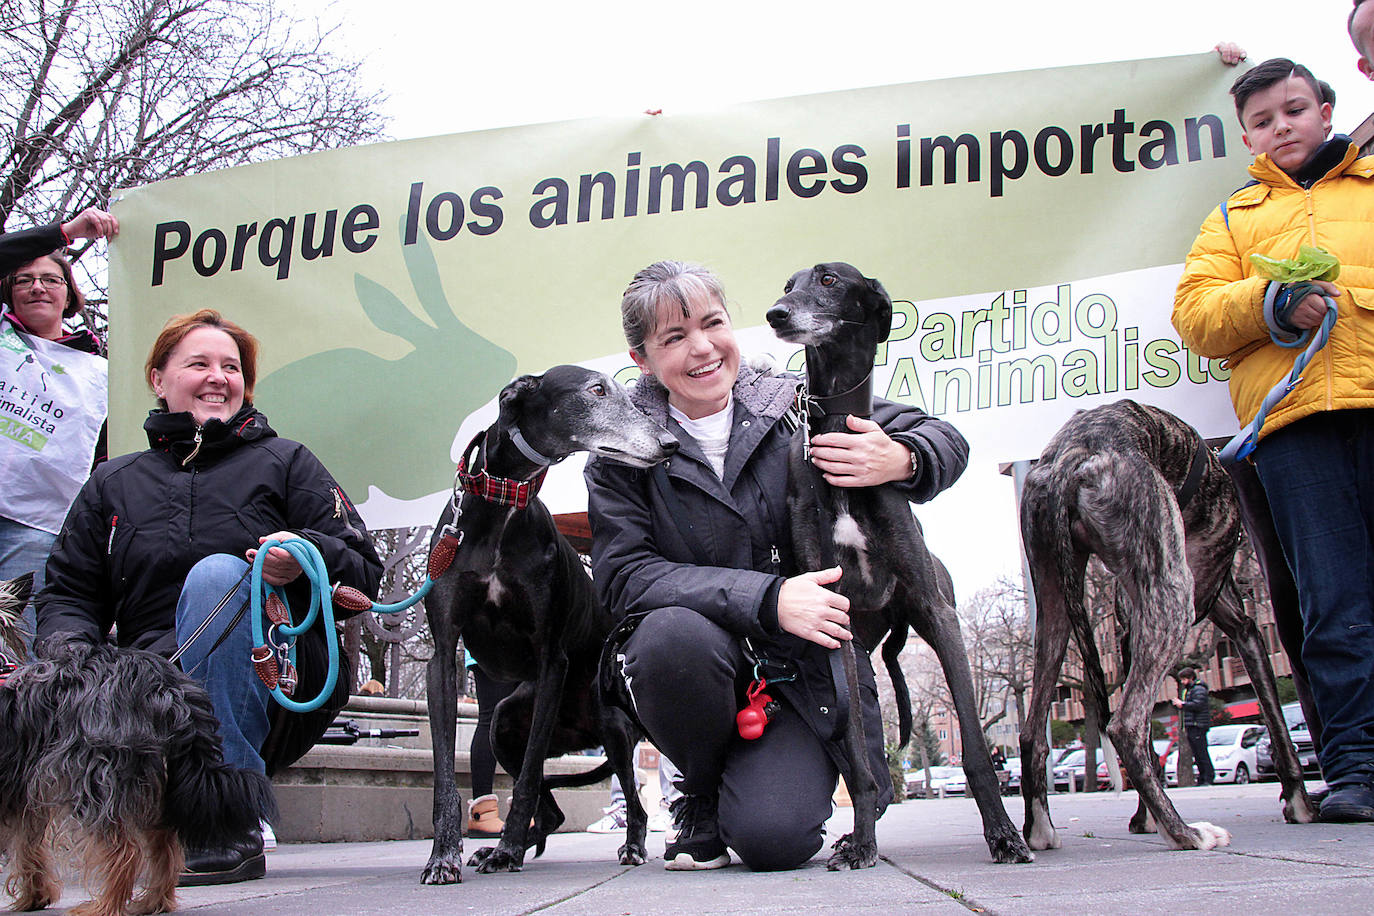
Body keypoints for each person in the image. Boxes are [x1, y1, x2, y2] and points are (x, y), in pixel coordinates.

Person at [585, 261, 969, 871]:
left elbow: (943, 437)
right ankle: (701, 795)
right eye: (675, 337)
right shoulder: (621, 454)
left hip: (799, 678)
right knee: (666, 639)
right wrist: (769, 598)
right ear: (642, 359)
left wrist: (903, 458)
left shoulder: (795, 404)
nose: (703, 348)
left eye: (713, 324)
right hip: (699, 665)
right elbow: (625, 577)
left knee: (774, 840)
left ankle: (767, 789)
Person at [36, 308, 383, 881]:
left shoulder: (287, 462)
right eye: (199, 363)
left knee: (219, 575)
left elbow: (363, 571)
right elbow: (68, 593)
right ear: (158, 378)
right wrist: (70, 654)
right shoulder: (112, 482)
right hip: (148, 684)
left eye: (232, 367)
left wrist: (303, 557)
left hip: (277, 671)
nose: (219, 377)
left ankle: (226, 815)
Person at [1173, 58, 1374, 822]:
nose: (1280, 127)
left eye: (1293, 110)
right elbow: (1195, 314)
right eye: (1262, 120)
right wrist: (1272, 302)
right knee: (1333, 600)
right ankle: (1356, 767)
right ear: (1247, 135)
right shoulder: (1233, 218)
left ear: (1327, 110)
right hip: (1295, 433)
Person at [0, 208, 118, 645]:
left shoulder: (102, 371)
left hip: (38, 526)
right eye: (23, 279)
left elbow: (107, 455)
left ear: (69, 295)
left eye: (51, 279)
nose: (37, 287)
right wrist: (65, 234)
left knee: (17, 649)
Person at [463, 646, 518, 837]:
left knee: (516, 721)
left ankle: (489, 812)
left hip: (498, 638)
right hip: (499, 638)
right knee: (494, 718)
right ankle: (484, 813)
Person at [1171, 668, 1215, 786]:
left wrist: (1183, 704)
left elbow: (1198, 704)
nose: (1183, 682)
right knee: (1197, 753)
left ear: (1191, 678)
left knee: (1201, 752)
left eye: (1184, 679)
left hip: (1197, 725)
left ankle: (1208, 777)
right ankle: (1202, 777)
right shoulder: (1190, 690)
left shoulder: (1198, 689)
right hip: (1192, 725)